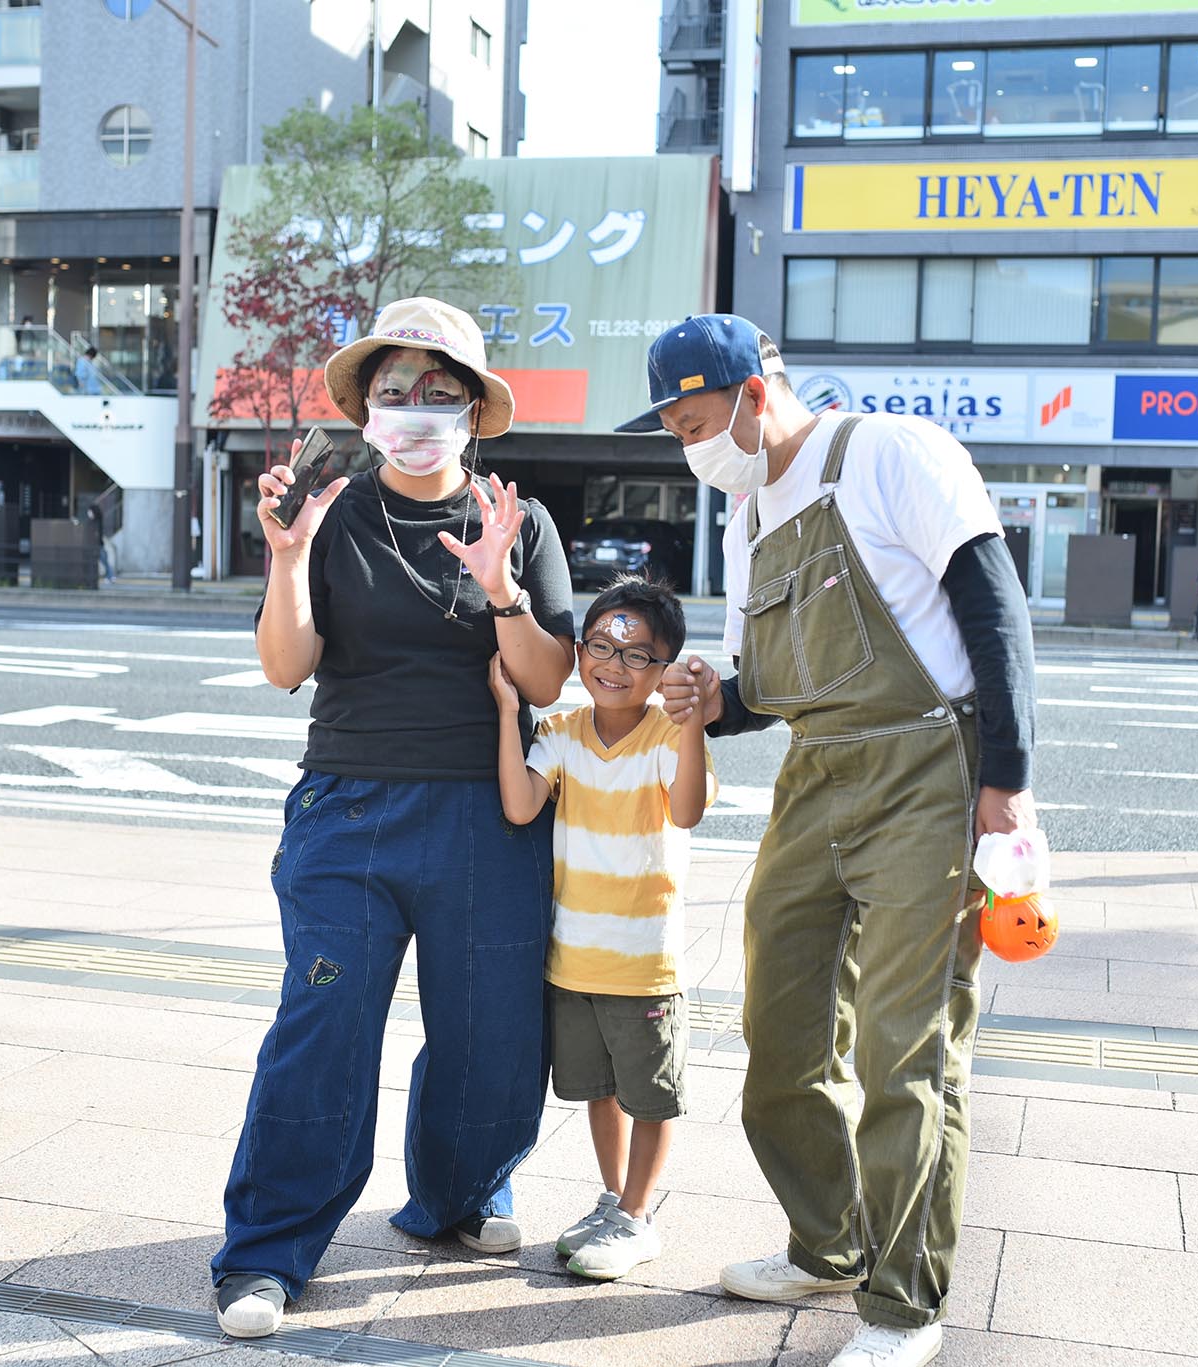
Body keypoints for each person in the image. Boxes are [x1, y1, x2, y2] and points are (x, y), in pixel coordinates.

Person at [628, 316, 1037, 1367]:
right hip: (815, 772)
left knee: (907, 1048)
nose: (687, 446)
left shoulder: (891, 452)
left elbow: (994, 610)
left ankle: (903, 1305)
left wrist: (1005, 784)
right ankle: (828, 1241)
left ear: (754, 393)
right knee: (779, 1035)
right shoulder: (746, 519)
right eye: (673, 430)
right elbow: (762, 692)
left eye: (694, 422)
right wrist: (708, 698)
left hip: (929, 764)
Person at [211, 297, 576, 1338]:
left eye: (439, 390)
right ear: (365, 406)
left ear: (473, 409)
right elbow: (284, 665)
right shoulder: (329, 511)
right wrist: (286, 556)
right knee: (321, 1024)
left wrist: (503, 586)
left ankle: (461, 1192)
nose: (416, 407)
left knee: (490, 1028)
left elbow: (546, 679)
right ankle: (266, 1249)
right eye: (394, 389)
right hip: (348, 803)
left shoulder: (520, 520)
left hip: (489, 810)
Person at [487, 577, 714, 1282]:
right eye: (602, 647)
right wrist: (509, 712)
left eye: (638, 654)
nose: (615, 665)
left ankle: (638, 1217)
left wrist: (695, 723)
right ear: (580, 650)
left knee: (650, 1096)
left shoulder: (667, 735)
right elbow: (520, 806)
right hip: (573, 960)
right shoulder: (560, 734)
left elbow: (687, 811)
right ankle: (614, 1200)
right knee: (598, 1090)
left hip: (643, 964)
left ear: (664, 667)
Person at [84, 504, 115, 584]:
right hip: (96, 545)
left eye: (90, 511)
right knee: (103, 561)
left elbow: (97, 535)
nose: (89, 513)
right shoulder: (93, 521)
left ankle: (110, 576)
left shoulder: (96, 522)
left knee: (104, 561)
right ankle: (110, 576)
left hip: (98, 545)